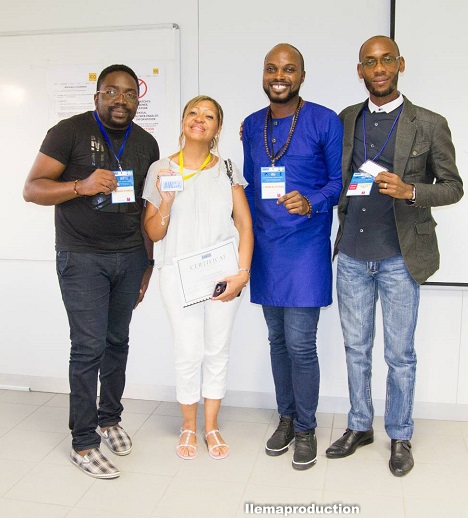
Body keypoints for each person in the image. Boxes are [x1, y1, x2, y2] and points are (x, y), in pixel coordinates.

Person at [326, 35, 464, 476]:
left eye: (387, 60)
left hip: (400, 257)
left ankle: (400, 435)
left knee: (400, 355)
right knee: (356, 349)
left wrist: (410, 191)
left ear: (400, 64)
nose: (379, 68)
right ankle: (359, 426)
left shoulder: (429, 123)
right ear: (360, 71)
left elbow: (453, 187)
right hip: (351, 255)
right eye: (370, 62)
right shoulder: (346, 119)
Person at [23, 64, 160, 479]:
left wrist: (148, 262)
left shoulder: (146, 143)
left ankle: (109, 419)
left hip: (130, 256)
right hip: (81, 257)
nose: (121, 99)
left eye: (130, 93)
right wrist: (80, 186)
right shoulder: (68, 132)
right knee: (88, 347)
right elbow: (32, 188)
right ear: (97, 95)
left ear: (138, 99)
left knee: (117, 341)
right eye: (112, 91)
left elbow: (146, 208)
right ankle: (83, 442)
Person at [242, 43, 343, 470]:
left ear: (301, 76)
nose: (279, 76)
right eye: (271, 69)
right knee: (277, 341)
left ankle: (305, 428)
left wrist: (312, 201)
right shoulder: (252, 124)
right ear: (264, 75)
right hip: (266, 247)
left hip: (305, 247)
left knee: (301, 344)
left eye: (288, 69)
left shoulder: (324, 120)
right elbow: (249, 184)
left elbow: (338, 182)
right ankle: (285, 418)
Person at [143, 95, 253, 461]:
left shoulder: (227, 169)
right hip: (178, 275)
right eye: (193, 112)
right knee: (188, 351)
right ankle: (188, 425)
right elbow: (154, 232)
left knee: (217, 350)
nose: (199, 119)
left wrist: (242, 273)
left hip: (223, 275)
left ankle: (211, 426)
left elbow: (245, 225)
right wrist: (166, 201)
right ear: (182, 121)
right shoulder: (161, 168)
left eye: (209, 116)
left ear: (217, 128)